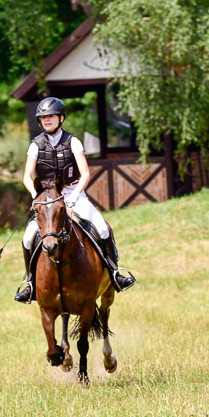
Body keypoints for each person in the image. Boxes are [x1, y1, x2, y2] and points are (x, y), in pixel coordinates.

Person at [14, 96, 136, 303]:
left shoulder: (73, 141)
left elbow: (85, 173)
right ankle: (31, 284)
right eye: (43, 118)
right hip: (46, 199)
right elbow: (27, 176)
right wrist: (36, 196)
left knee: (103, 228)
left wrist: (75, 195)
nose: (47, 120)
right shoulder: (35, 145)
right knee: (27, 237)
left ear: (61, 118)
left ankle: (115, 273)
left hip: (73, 193)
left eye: (51, 117)